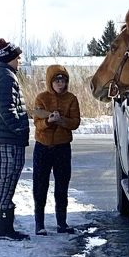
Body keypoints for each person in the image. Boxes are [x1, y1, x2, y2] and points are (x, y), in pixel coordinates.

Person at [0, 38, 31, 240]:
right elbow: (6, 109)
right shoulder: (6, 78)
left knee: (2, 179)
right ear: (10, 58)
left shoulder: (1, 75)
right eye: (18, 57)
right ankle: (4, 228)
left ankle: (2, 225)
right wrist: (19, 128)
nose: (19, 61)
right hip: (6, 140)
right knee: (6, 179)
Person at [31, 65, 81, 235]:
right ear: (50, 82)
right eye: (57, 80)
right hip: (43, 147)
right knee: (40, 186)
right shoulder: (41, 98)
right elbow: (37, 122)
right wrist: (48, 122)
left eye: (63, 80)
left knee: (62, 187)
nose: (60, 84)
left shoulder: (71, 99)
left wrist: (61, 121)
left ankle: (62, 223)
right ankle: (40, 224)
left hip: (62, 148)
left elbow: (75, 123)